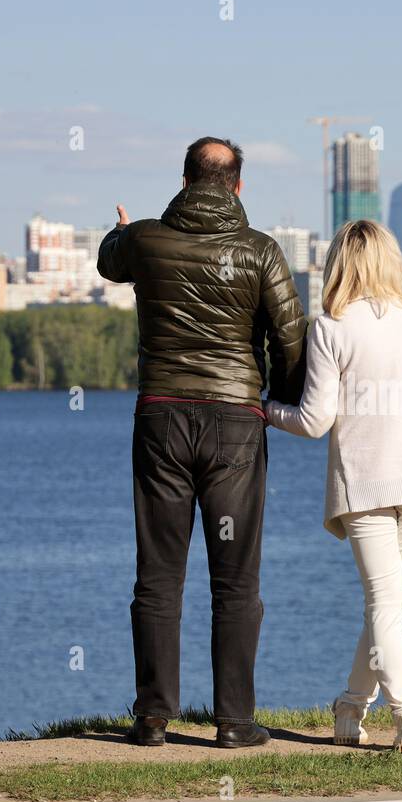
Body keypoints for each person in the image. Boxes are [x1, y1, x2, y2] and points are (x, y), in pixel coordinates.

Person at [98, 136, 306, 748]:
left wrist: (121, 231)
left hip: (161, 416)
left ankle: (153, 717)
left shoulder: (144, 240)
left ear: (186, 179)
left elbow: (110, 261)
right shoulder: (261, 251)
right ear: (238, 186)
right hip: (235, 423)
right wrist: (281, 403)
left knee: (158, 573)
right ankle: (234, 723)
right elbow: (289, 340)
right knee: (235, 578)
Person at [265, 220, 402, 754]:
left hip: (367, 483)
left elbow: (313, 421)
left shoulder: (331, 325)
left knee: (385, 606)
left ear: (338, 263)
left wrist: (265, 410)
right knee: (389, 607)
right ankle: (351, 708)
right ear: (390, 259)